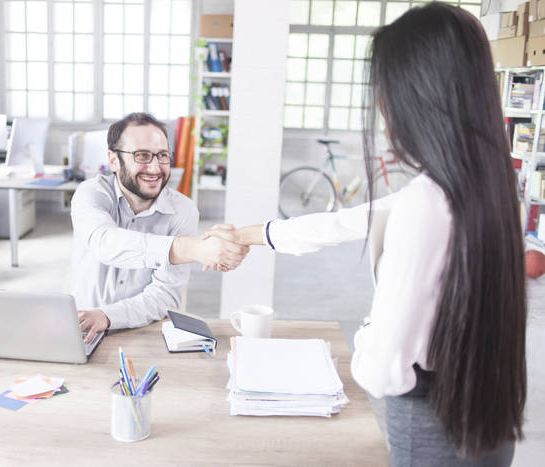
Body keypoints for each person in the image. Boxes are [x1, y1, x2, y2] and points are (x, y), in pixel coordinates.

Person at [207, 4, 526, 465]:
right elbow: (349, 221)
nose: (381, 107)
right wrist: (253, 234)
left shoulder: (426, 202)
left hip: (430, 423)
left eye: (385, 90)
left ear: (416, 95)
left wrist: (366, 333)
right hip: (483, 415)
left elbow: (381, 372)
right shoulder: (484, 187)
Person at [71, 112, 248, 343]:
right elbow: (105, 243)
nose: (155, 168)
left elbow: (164, 295)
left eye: (162, 155)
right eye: (142, 155)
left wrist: (107, 315)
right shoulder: (91, 193)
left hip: (144, 331)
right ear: (113, 160)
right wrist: (191, 249)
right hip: (81, 327)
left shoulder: (183, 210)